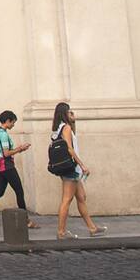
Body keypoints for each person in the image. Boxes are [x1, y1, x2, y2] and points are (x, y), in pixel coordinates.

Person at [52, 102, 107, 239]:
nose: (72, 114)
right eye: (70, 112)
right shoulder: (65, 128)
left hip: (71, 169)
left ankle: (92, 228)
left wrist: (73, 123)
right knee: (67, 199)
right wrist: (82, 165)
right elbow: (70, 149)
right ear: (65, 113)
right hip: (71, 168)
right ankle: (61, 232)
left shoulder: (60, 128)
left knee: (81, 197)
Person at [0, 110, 38, 230]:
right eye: (13, 122)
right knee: (19, 191)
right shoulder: (3, 135)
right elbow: (6, 153)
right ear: (8, 121)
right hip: (7, 167)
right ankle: (25, 220)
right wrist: (20, 148)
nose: (13, 125)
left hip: (1, 167)